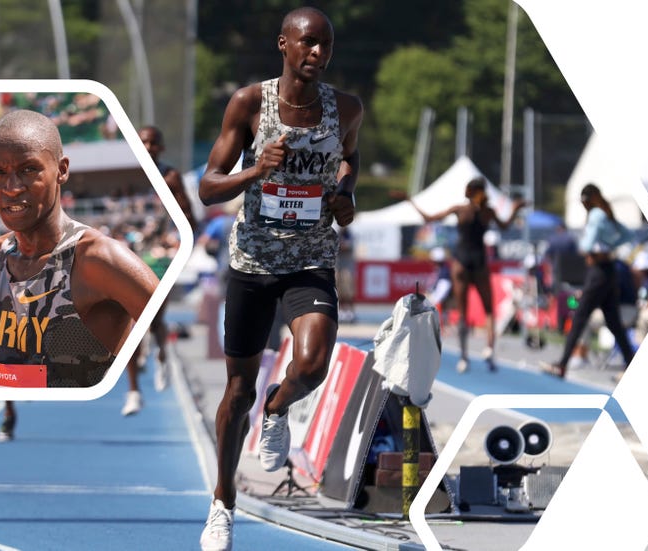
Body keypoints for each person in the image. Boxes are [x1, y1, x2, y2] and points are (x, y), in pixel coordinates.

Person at [195, 7, 363, 550]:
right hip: (252, 262)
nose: (317, 53)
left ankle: (278, 407)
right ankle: (222, 504)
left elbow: (349, 163)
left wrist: (345, 198)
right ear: (284, 45)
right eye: (308, 43)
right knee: (237, 389)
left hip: (310, 258)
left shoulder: (346, 108)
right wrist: (255, 170)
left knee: (312, 364)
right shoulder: (250, 102)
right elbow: (209, 187)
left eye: (326, 46)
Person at [0, 109, 159, 441]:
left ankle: (133, 390)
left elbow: (159, 317)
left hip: (84, 443)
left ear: (61, 170)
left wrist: (139, 353)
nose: (11, 187)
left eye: (28, 169)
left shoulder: (99, 259)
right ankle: (8, 414)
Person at [404, 178, 526, 373]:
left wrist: (410, 200)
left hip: (460, 261)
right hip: (479, 261)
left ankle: (464, 357)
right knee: (489, 310)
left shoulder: (460, 210)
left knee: (463, 313)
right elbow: (505, 226)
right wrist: (515, 208)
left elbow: (429, 218)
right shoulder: (488, 211)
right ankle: (489, 349)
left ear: (468, 192)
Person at [122, 125, 198, 416]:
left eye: (154, 142)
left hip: (162, 259)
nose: (149, 147)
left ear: (161, 147)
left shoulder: (171, 177)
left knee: (154, 320)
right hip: (133, 255)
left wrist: (176, 240)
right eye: (143, 142)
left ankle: (162, 353)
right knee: (130, 320)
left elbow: (189, 218)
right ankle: (133, 392)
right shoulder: (131, 179)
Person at [541, 183, 636, 379]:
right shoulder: (606, 213)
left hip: (598, 272)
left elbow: (587, 244)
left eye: (584, 201)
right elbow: (627, 234)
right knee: (614, 323)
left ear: (590, 199)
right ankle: (631, 365)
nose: (583, 205)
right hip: (608, 271)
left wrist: (589, 249)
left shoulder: (596, 214)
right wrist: (609, 246)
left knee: (579, 317)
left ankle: (562, 365)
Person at [336, 225, 356, 323]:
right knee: (338, 290)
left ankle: (350, 311)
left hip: (347, 267)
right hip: (338, 266)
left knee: (348, 290)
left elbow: (346, 247)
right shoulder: (336, 233)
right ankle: (341, 311)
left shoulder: (350, 234)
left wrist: (339, 245)